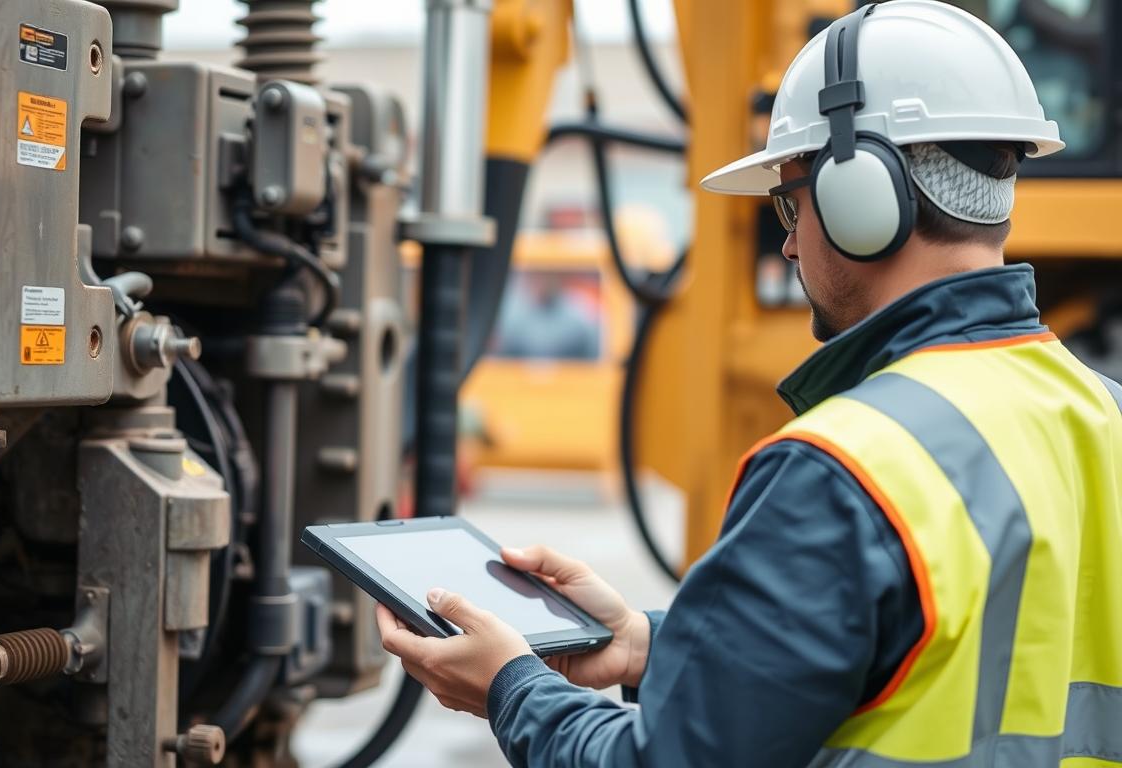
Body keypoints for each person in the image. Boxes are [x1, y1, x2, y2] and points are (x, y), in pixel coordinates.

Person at [376, 2, 1122, 765]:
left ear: (861, 192)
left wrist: (511, 687)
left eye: (789, 205)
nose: (792, 243)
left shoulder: (841, 469)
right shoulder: (1105, 415)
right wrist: (646, 644)